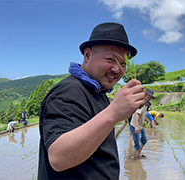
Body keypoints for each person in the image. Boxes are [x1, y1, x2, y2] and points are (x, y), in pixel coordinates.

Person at [38, 22, 145, 180]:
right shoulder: (69, 92)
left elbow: (101, 152)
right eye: (110, 59)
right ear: (87, 56)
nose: (117, 69)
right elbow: (59, 158)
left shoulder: (98, 93)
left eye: (123, 63)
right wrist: (114, 112)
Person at [130, 89, 155, 160]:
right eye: (148, 96)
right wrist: (137, 127)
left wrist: (146, 120)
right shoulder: (142, 103)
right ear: (145, 95)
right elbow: (137, 114)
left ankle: (138, 155)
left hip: (140, 126)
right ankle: (134, 162)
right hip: (135, 126)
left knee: (144, 140)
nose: (149, 97)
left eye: (150, 97)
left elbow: (143, 113)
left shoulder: (146, 104)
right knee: (137, 145)